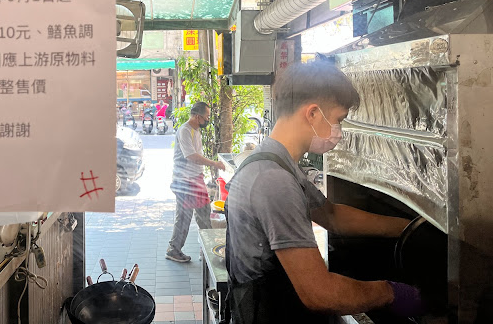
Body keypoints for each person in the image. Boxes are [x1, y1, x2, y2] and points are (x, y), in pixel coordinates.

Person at [225, 61, 426, 323]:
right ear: (312, 113)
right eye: (338, 119)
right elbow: (319, 293)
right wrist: (390, 292)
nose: (339, 132)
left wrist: (409, 229)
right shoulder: (274, 180)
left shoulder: (275, 162)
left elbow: (332, 215)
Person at [167, 101, 225, 262]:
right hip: (184, 181)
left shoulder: (196, 131)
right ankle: (174, 250)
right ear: (198, 117)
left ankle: (207, 249)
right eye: (206, 117)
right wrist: (214, 164)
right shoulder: (185, 131)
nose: (208, 120)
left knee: (204, 214)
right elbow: (191, 156)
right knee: (184, 216)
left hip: (195, 180)